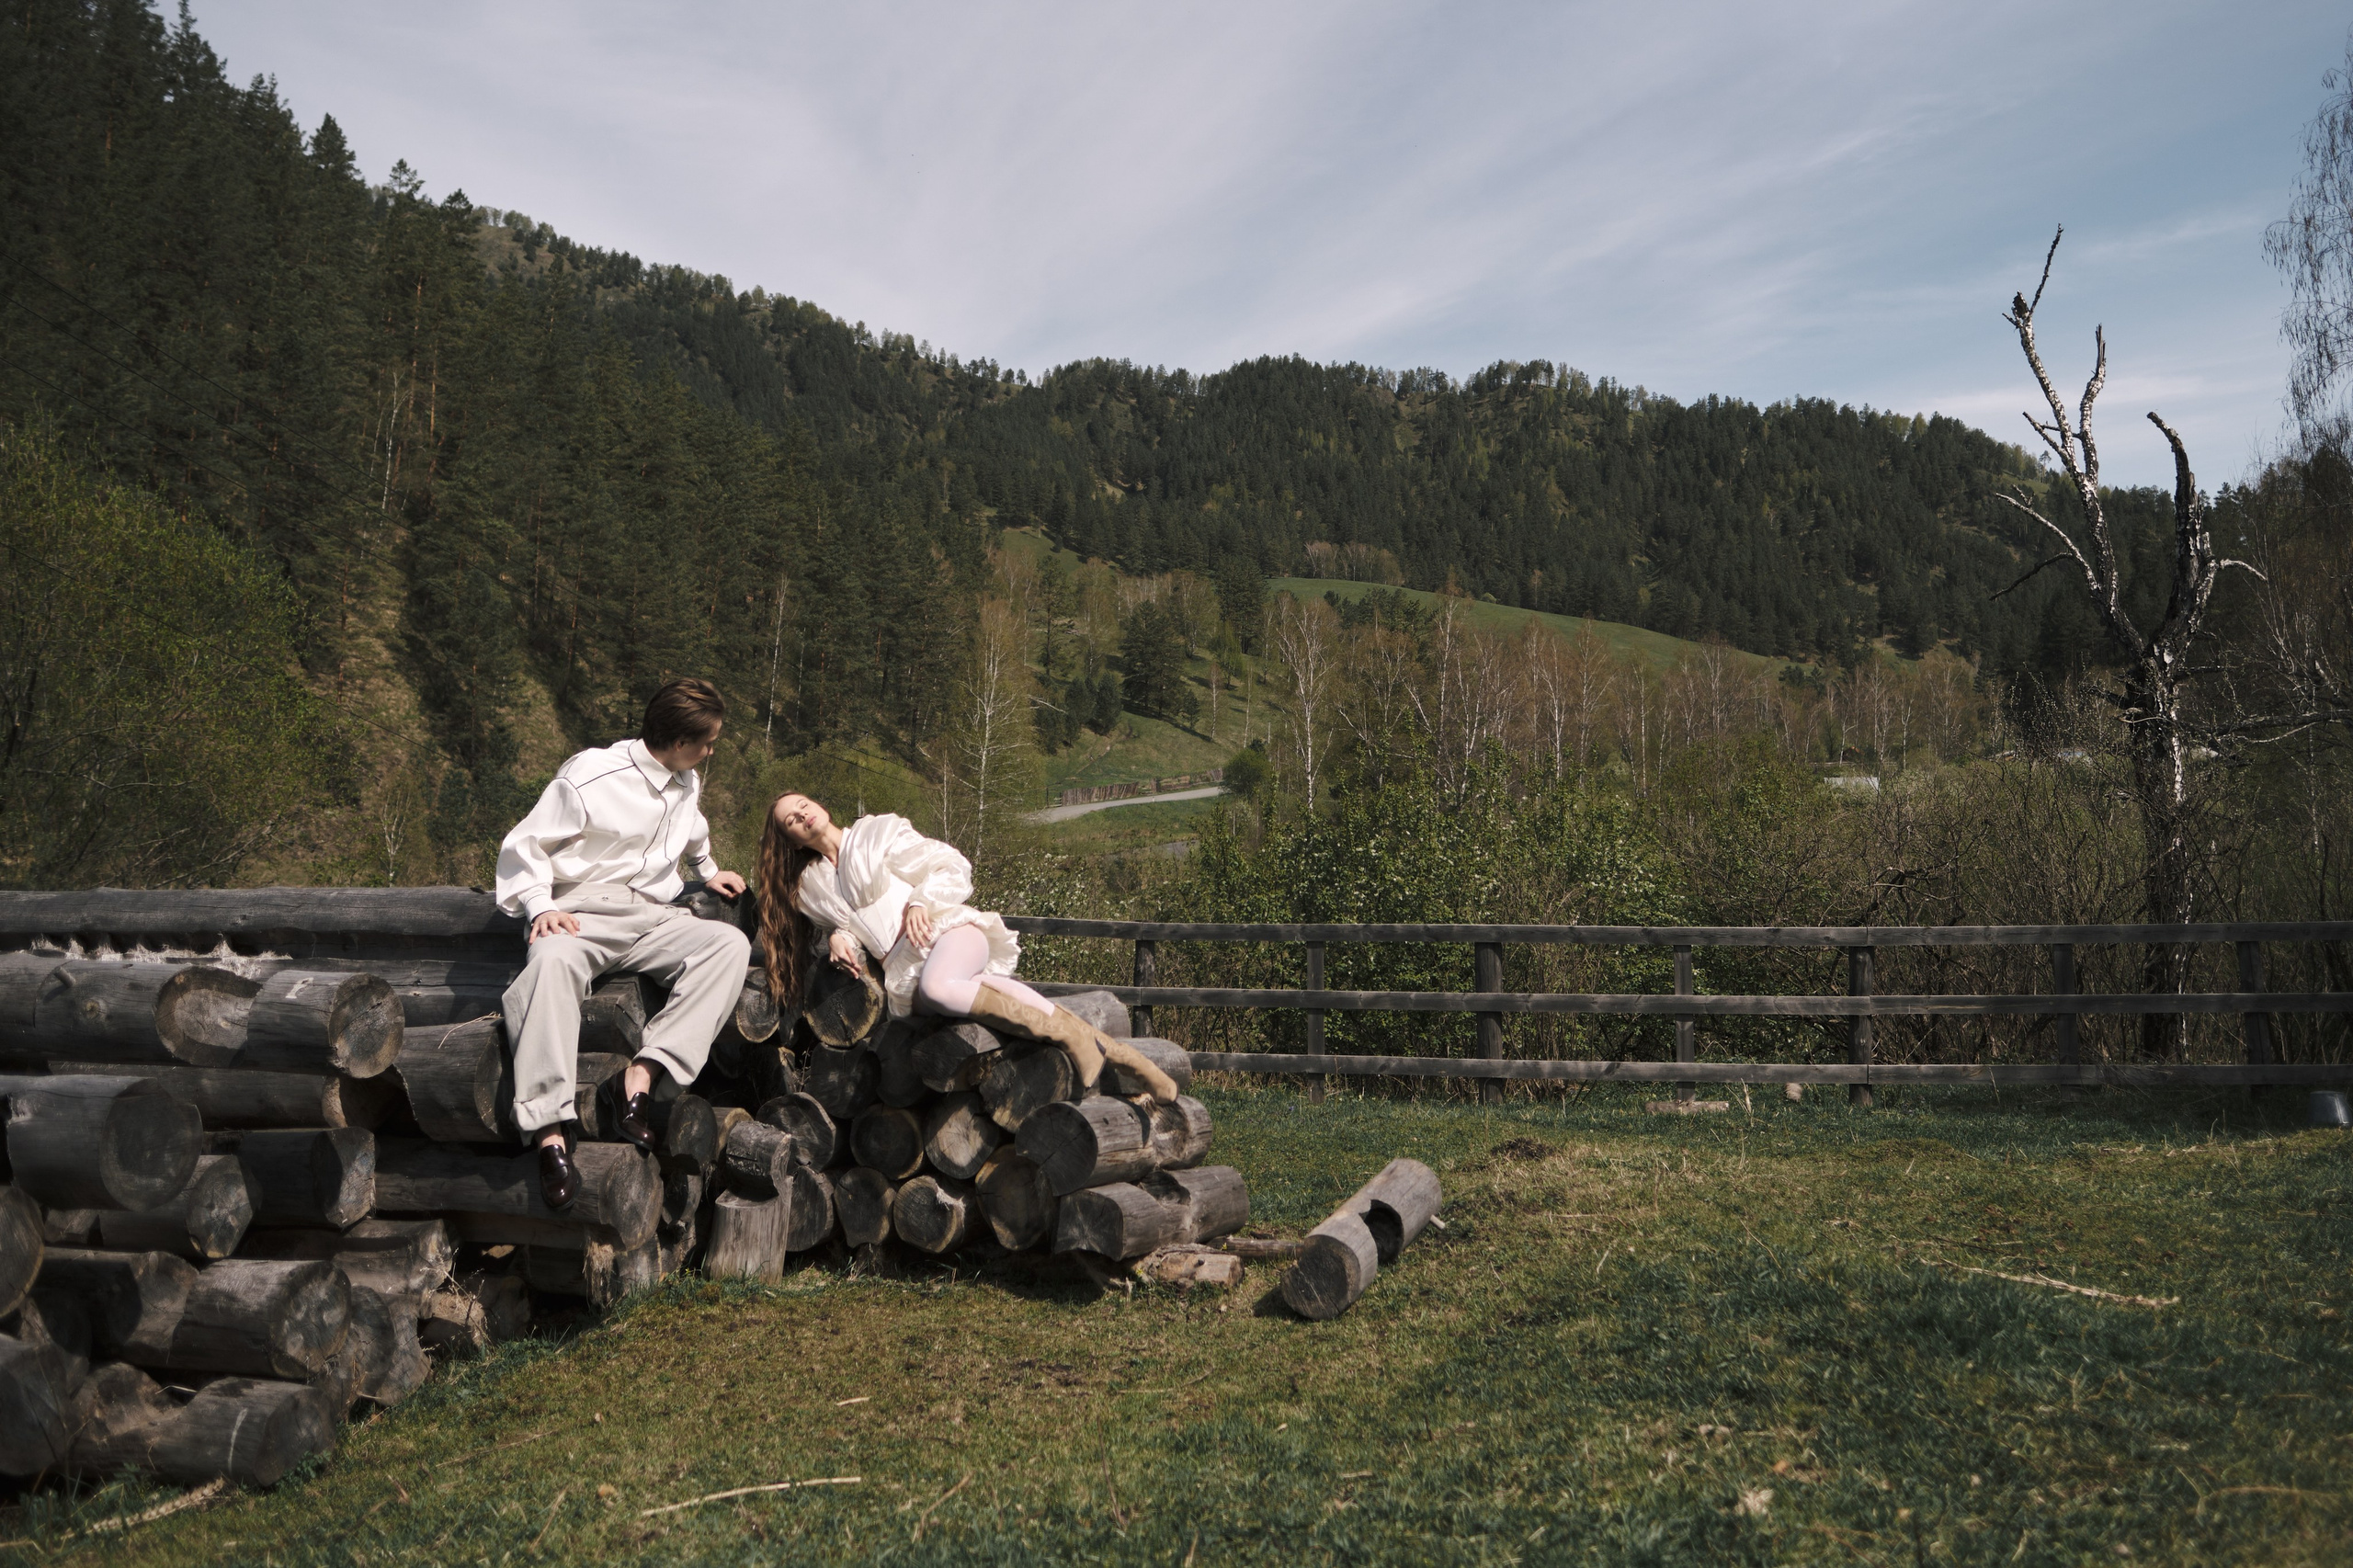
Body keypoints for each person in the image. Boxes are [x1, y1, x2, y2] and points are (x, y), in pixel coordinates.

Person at [494, 677, 754, 1209]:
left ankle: (638, 1078)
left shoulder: (686, 780)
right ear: (679, 742)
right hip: (581, 910)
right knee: (548, 967)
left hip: (654, 915)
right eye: (706, 743)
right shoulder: (591, 773)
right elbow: (526, 843)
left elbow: (693, 827)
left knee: (727, 946)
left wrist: (707, 869)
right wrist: (541, 906)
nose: (710, 751)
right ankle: (549, 1132)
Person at [756, 793, 1177, 1101]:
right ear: (791, 841)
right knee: (969, 989)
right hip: (904, 968)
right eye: (791, 818)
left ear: (821, 805)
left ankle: (1076, 1043)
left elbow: (950, 863)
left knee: (941, 987)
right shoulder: (812, 887)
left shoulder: (875, 834)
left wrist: (921, 901)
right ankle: (1125, 1058)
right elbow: (854, 928)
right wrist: (838, 937)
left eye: (804, 803)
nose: (803, 813)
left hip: (945, 931)